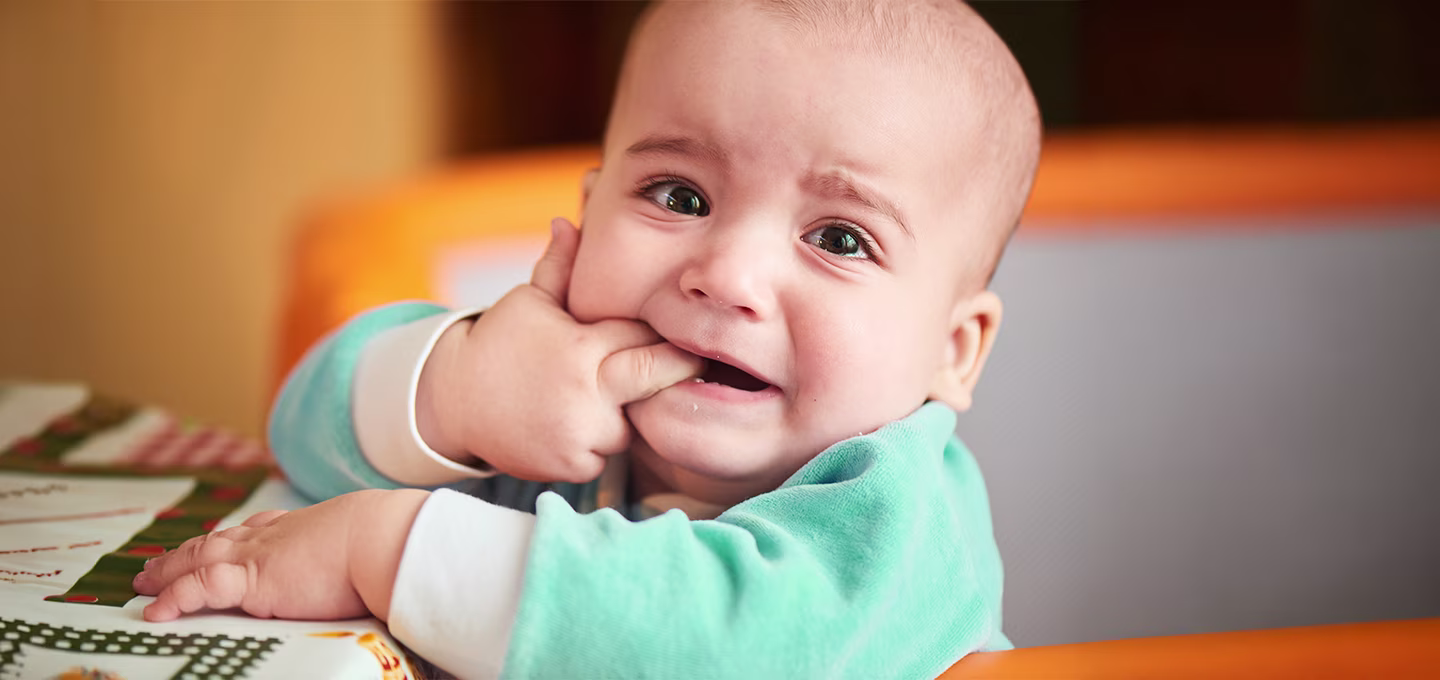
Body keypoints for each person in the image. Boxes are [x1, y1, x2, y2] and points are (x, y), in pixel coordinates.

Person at [133, 0, 1041, 676]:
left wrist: (382, 548)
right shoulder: (553, 400)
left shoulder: (899, 520)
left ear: (953, 351)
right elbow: (303, 430)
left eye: (840, 238)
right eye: (679, 196)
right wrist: (457, 390)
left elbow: (725, 644)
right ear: (588, 213)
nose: (725, 275)